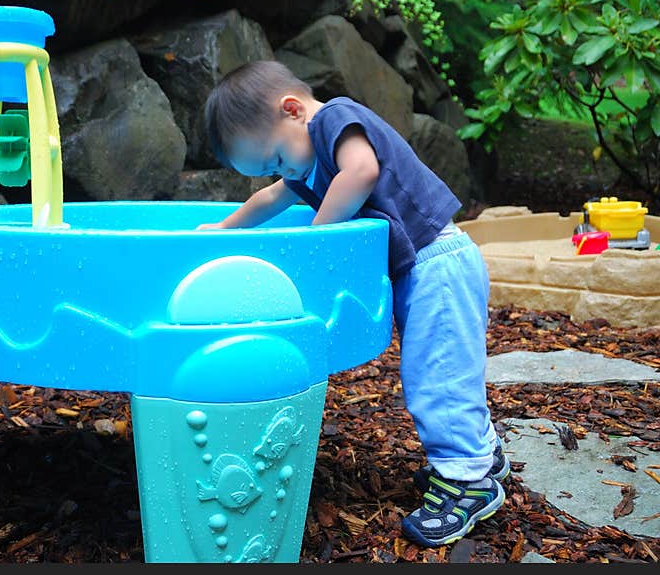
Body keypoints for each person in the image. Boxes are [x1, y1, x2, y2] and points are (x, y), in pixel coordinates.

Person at [198, 60, 510, 547]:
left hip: (439, 263)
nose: (283, 172)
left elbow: (363, 171)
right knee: (441, 369)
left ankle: (469, 483)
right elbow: (270, 199)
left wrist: (316, 237)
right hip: (420, 270)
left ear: (293, 110)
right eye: (271, 168)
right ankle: (479, 455)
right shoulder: (305, 161)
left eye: (277, 158)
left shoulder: (334, 120)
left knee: (438, 378)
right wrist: (222, 231)